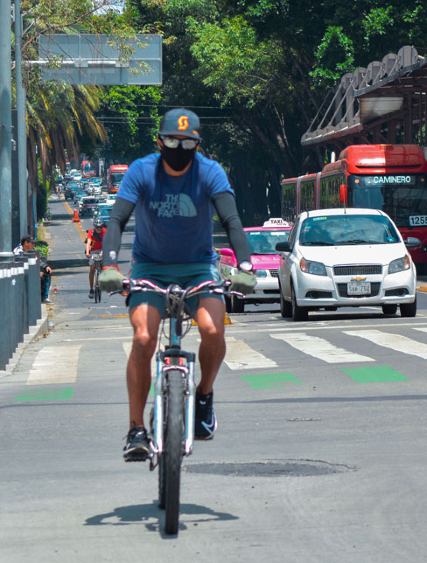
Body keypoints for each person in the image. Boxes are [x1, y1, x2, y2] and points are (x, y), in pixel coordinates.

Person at [97, 108, 256, 462]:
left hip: (198, 267)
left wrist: (245, 266)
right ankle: (136, 428)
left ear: (197, 145)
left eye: (187, 143)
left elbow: (231, 219)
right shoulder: (141, 171)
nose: (179, 148)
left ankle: (204, 397)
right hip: (150, 267)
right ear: (159, 141)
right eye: (172, 141)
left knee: (214, 330)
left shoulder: (210, 172)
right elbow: (118, 218)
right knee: (142, 338)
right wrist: (109, 263)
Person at [13, 235, 53, 304]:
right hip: (21, 273)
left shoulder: (32, 250)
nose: (33, 245)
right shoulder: (18, 252)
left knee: (46, 272)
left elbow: (38, 261)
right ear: (26, 243)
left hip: (31, 270)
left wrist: (45, 266)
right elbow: (22, 267)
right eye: (32, 243)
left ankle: (44, 297)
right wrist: (35, 273)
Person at [85, 218, 107, 298]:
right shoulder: (91, 232)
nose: (98, 229)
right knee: (92, 268)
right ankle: (91, 289)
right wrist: (87, 253)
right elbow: (88, 243)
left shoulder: (105, 232)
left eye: (100, 227)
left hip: (103, 249)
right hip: (93, 251)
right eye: (97, 227)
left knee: (104, 263)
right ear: (94, 227)